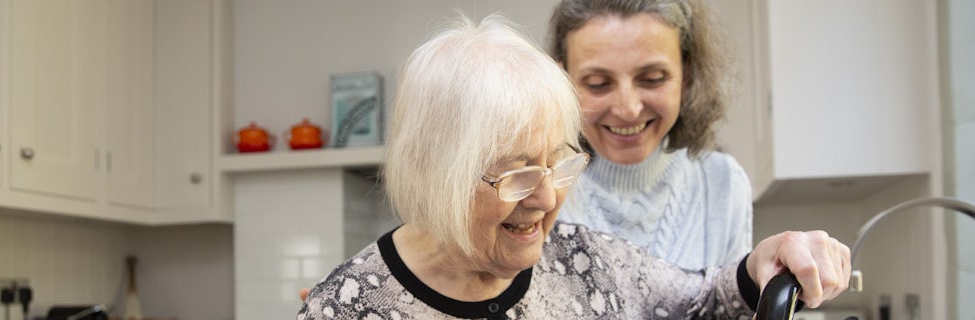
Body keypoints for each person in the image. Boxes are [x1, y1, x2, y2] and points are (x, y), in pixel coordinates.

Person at [297, 14, 850, 319]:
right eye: (515, 173)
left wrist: (767, 261)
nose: (544, 200)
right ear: (433, 170)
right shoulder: (348, 308)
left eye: (557, 163)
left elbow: (705, 299)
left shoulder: (583, 259)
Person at [548, 0, 753, 271]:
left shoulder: (722, 184)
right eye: (598, 84)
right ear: (562, 82)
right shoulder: (540, 189)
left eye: (652, 78)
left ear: (686, 75)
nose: (628, 109)